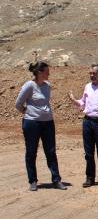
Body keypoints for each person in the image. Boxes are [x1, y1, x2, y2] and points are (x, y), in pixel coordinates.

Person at [15, 61, 67, 191]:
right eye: (46, 71)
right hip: (32, 123)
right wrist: (27, 112)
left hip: (48, 123)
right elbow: (18, 104)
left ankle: (56, 180)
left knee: (51, 151)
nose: (49, 73)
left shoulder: (47, 85)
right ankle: (33, 181)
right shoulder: (29, 85)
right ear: (39, 72)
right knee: (31, 152)